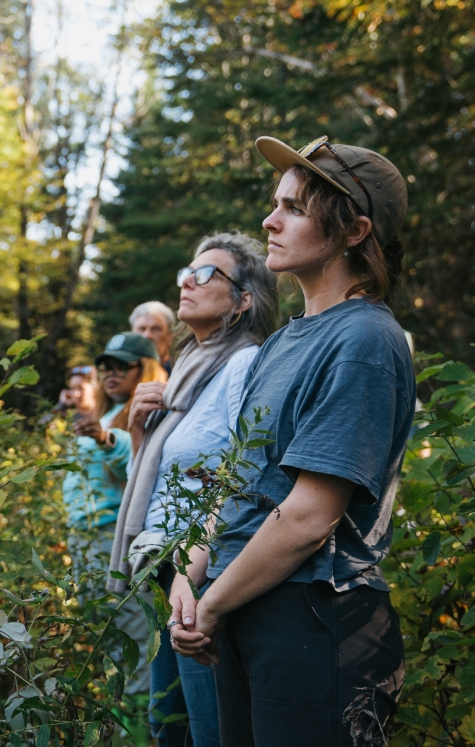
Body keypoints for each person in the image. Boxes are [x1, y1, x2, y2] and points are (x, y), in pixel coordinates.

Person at [169, 135, 416, 746]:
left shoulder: (363, 341)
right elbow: (237, 476)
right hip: (247, 605)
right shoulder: (285, 340)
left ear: (354, 230)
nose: (269, 220)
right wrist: (187, 575)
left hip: (316, 618)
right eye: (275, 202)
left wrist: (213, 603)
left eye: (295, 208)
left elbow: (308, 518)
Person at [107, 233, 279, 747]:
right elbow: (165, 478)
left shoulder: (244, 364)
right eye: (187, 269)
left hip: (201, 577)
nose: (188, 279)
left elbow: (242, 474)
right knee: (168, 729)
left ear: (243, 300)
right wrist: (139, 430)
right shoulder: (188, 368)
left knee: (210, 734)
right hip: (167, 573)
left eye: (207, 273)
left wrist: (190, 578)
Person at [62, 333, 166, 692]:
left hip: (115, 538)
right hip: (85, 539)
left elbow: (134, 459)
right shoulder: (103, 412)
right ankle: (116, 717)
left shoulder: (149, 413)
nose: (111, 372)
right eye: (106, 365)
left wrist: (105, 438)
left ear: (147, 367)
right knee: (106, 637)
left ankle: (140, 726)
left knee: (131, 633)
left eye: (123, 365)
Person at [130, 302, 178, 372]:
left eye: (156, 329)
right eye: (141, 329)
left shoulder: (179, 373)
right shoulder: (121, 375)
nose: (147, 336)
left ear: (170, 337)